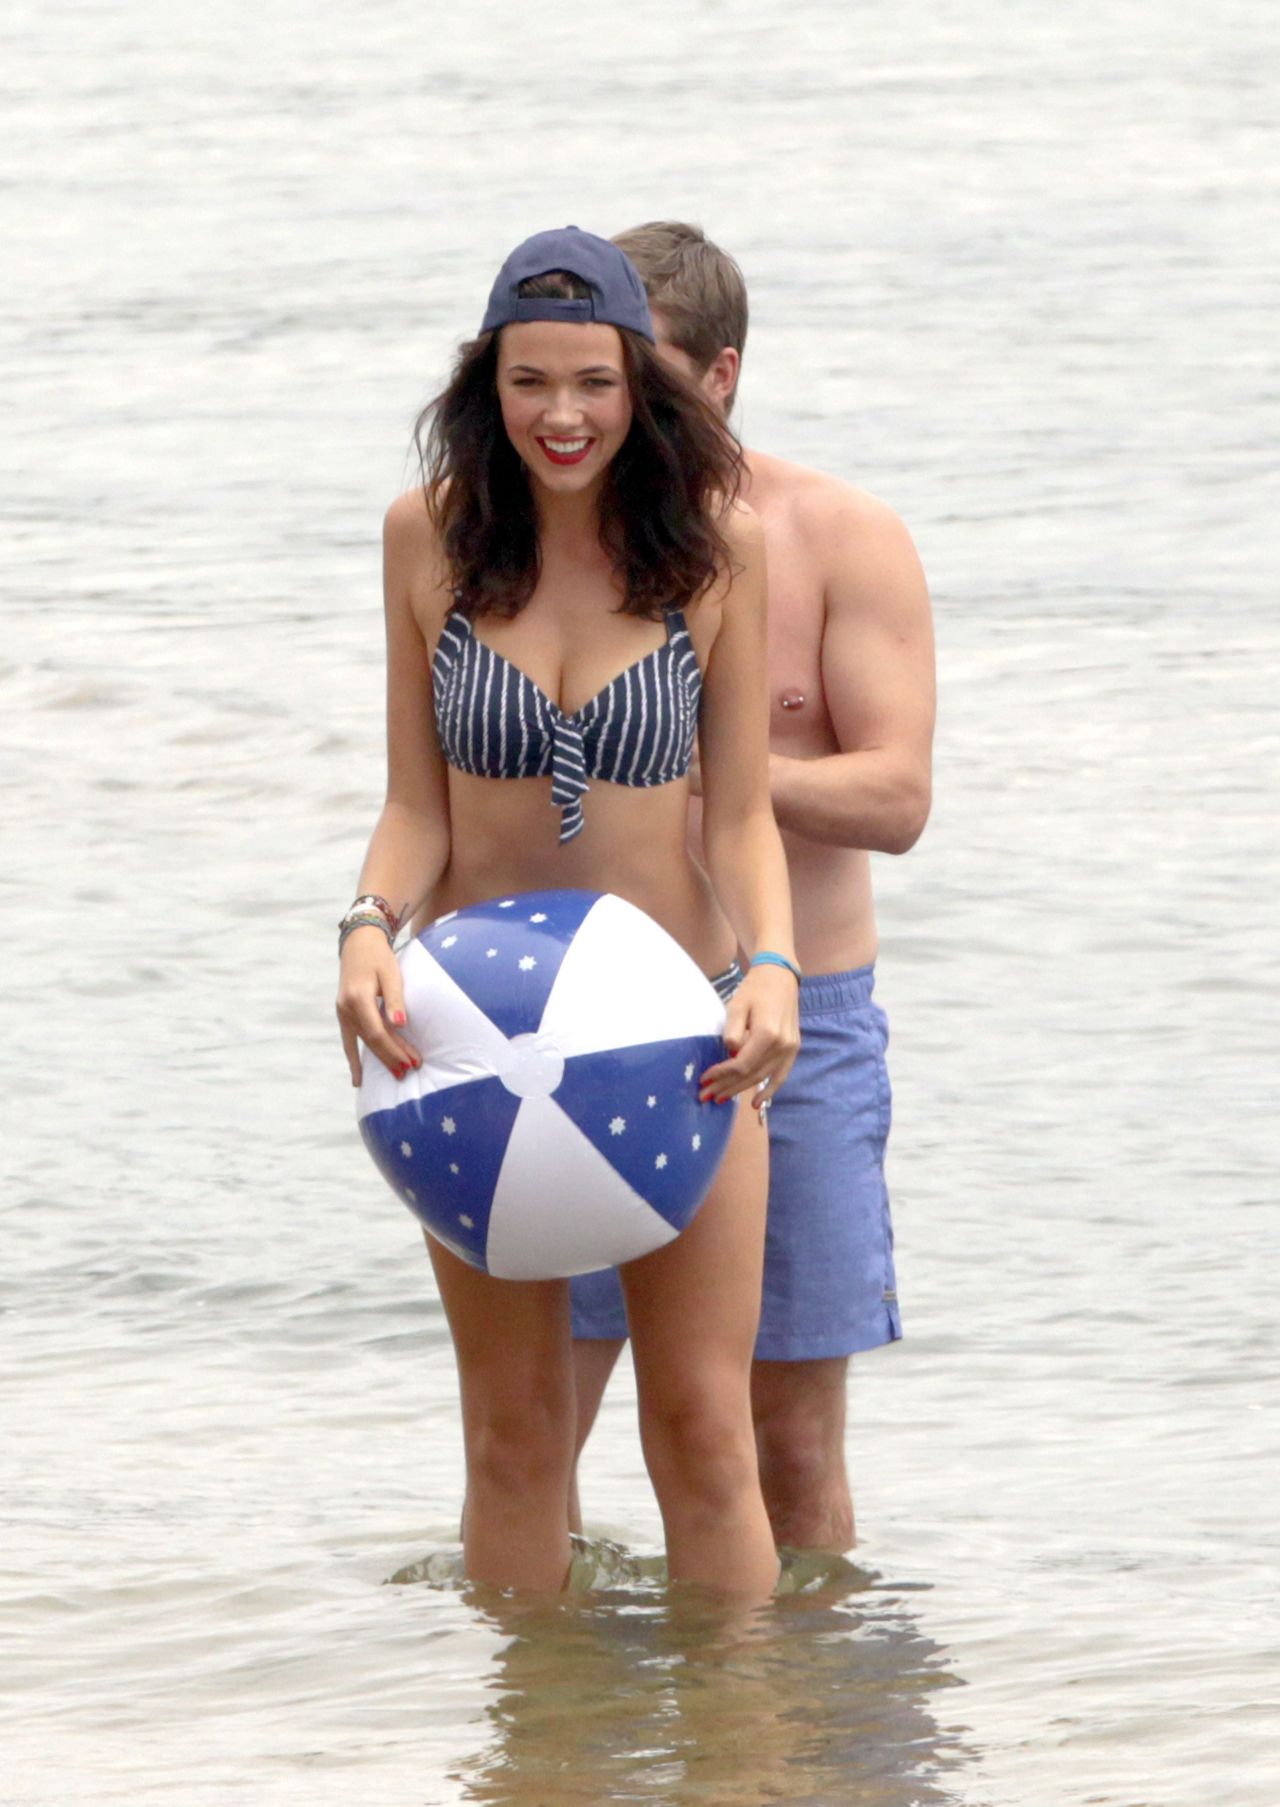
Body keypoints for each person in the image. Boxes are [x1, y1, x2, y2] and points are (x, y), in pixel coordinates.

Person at [335, 227, 801, 1598]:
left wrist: (773, 965)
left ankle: (738, 1724)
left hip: (680, 1040)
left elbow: (740, 816)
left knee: (705, 1433)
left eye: (594, 381)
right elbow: (416, 807)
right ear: (487, 384)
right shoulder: (426, 535)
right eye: (529, 381)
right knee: (516, 1437)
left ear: (638, 384)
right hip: (472, 1042)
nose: (563, 415)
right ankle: (537, 1723)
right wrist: (365, 925)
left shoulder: (716, 547)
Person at [570, 223, 936, 1553]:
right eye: (595, 377)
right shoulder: (542, 547)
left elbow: (895, 797)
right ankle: (561, 1684)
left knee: (785, 1445)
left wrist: (716, 775)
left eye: (644, 379)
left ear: (721, 376)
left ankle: (802, 1693)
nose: (607, 414)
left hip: (797, 1020)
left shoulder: (838, 535)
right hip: (581, 1017)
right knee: (540, 1426)